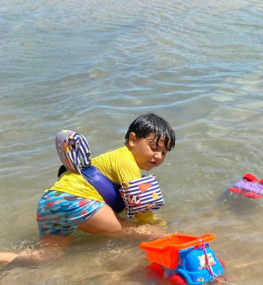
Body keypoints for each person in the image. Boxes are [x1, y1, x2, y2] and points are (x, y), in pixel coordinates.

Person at [0, 113, 176, 266]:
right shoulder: (127, 161)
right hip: (76, 200)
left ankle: (5, 258)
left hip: (51, 201)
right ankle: (178, 251)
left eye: (164, 153)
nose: (158, 156)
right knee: (138, 231)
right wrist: (154, 226)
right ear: (132, 140)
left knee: (47, 256)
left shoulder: (111, 159)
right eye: (153, 148)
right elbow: (141, 208)